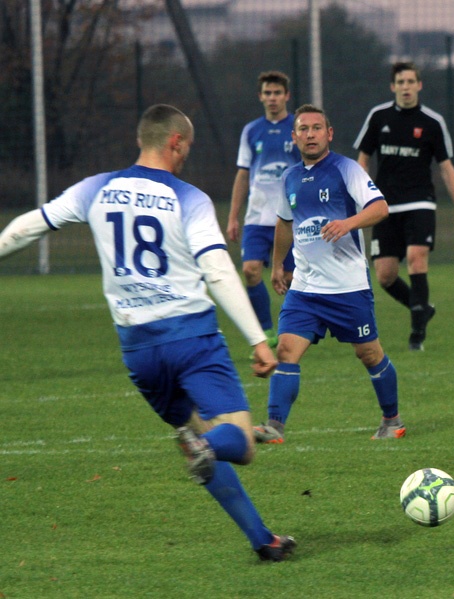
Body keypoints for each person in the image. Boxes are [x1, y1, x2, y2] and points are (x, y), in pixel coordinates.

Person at [0, 104, 296, 561]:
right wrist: (258, 339)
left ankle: (263, 540)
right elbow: (216, 269)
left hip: (138, 350)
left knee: (198, 440)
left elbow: (27, 228)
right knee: (236, 442)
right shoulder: (188, 197)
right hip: (192, 339)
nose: (186, 157)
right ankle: (207, 448)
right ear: (175, 142)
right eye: (187, 148)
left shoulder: (96, 187)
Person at [252, 104, 404, 445]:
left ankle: (392, 419)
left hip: (348, 287)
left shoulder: (345, 169)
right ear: (294, 137)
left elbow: (380, 208)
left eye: (316, 128)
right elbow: (284, 222)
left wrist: (348, 223)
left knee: (369, 354)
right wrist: (278, 265)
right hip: (305, 289)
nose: (310, 134)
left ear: (329, 134)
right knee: (287, 351)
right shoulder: (290, 178)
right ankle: (274, 426)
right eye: (303, 129)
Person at [353, 61, 454, 351]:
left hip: (420, 202)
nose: (405, 87)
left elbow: (446, 168)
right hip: (384, 206)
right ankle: (422, 308)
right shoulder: (378, 116)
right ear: (393, 86)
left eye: (410, 82)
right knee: (385, 275)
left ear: (419, 85)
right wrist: (363, 195)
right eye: (400, 82)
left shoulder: (432, 122)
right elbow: (363, 158)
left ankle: (416, 335)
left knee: (417, 258)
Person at [227, 70, 302, 349]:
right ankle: (266, 332)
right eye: (267, 93)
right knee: (250, 270)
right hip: (257, 217)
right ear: (260, 96)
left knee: (292, 278)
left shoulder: (298, 128)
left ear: (286, 95)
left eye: (277, 93)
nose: (272, 98)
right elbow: (243, 174)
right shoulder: (251, 130)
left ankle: (296, 329)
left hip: (289, 218)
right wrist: (234, 216)